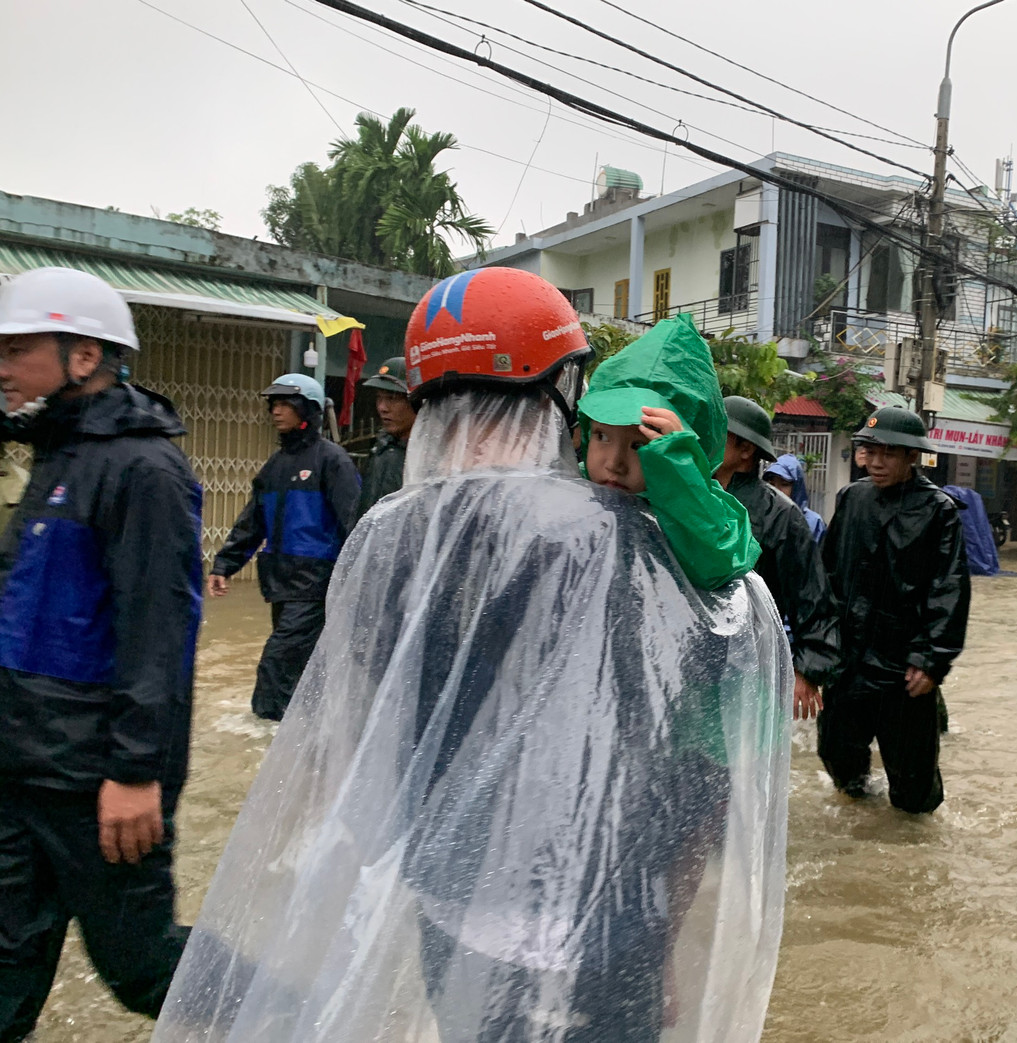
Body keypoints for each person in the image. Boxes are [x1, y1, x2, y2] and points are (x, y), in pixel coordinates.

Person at [154, 267, 790, 1043]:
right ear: (564, 401)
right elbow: (698, 773)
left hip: (461, 914)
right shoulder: (631, 548)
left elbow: (362, 751)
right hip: (601, 925)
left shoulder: (388, 539)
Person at [0, 267, 202, 1039]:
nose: (4, 364)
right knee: (7, 961)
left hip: (96, 781)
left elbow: (158, 635)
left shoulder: (143, 469)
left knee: (141, 967)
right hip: (20, 768)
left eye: (18, 348)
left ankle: (296, 1012)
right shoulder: (57, 452)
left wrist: (134, 771)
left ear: (84, 356)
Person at [817, 406, 970, 814]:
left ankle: (913, 844)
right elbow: (828, 576)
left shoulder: (938, 511)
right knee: (836, 753)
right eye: (871, 450)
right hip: (848, 662)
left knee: (913, 783)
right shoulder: (852, 499)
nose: (877, 461)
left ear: (912, 457)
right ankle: (860, 812)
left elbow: (949, 589)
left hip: (903, 667)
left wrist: (931, 659)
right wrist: (818, 648)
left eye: (889, 452)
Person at [207, 374, 359, 721]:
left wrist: (356, 579)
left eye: (284, 404)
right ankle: (312, 730)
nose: (275, 411)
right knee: (301, 666)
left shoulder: (332, 461)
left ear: (307, 409)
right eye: (272, 404)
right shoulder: (274, 466)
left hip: (315, 584)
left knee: (276, 664)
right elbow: (253, 522)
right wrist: (224, 565)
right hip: (280, 584)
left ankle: (265, 733)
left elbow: (353, 522)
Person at [577, 314, 758, 590]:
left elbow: (718, 560)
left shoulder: (709, 509)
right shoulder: (568, 488)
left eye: (640, 445)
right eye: (602, 436)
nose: (614, 464)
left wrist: (677, 471)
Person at [716, 395, 840, 721]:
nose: (702, 434)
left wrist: (807, 671)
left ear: (746, 450)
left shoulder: (781, 515)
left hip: (751, 664)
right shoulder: (689, 493)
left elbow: (811, 596)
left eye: (716, 429)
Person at [356, 356, 415, 517]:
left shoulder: (431, 456)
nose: (382, 407)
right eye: (379, 398)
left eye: (392, 399)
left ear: (416, 401)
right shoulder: (380, 450)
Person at [763, 453, 827, 542]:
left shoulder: (813, 523)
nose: (776, 490)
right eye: (772, 484)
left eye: (784, 484)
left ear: (797, 487)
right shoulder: (761, 518)